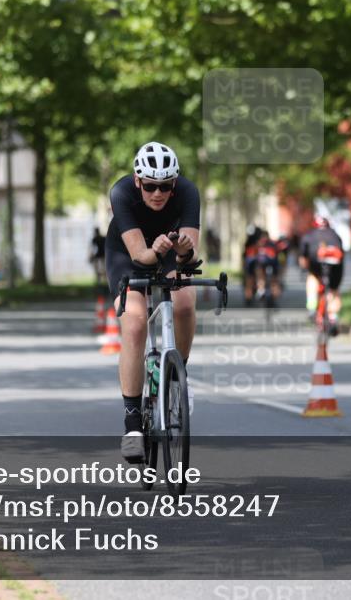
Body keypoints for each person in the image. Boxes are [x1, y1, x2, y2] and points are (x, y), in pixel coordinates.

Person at [105, 142, 200, 463]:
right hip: (129, 253)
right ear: (137, 181)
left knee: (185, 299)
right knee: (133, 323)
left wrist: (184, 249)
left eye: (165, 186)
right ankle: (132, 424)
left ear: (175, 183)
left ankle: (177, 379)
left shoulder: (188, 192)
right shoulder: (120, 193)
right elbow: (141, 256)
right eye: (150, 186)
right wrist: (156, 250)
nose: (157, 193)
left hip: (170, 249)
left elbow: (191, 258)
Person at [298, 214, 345, 334]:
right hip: (335, 263)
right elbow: (342, 253)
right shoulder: (335, 235)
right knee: (334, 290)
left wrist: (304, 270)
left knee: (313, 277)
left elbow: (303, 259)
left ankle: (312, 305)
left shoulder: (309, 236)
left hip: (316, 262)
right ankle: (333, 316)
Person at [241, 224, 262, 305]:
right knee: (255, 277)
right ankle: (253, 294)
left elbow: (244, 255)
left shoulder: (248, 242)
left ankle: (249, 296)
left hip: (249, 261)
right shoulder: (256, 242)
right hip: (253, 261)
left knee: (249, 280)